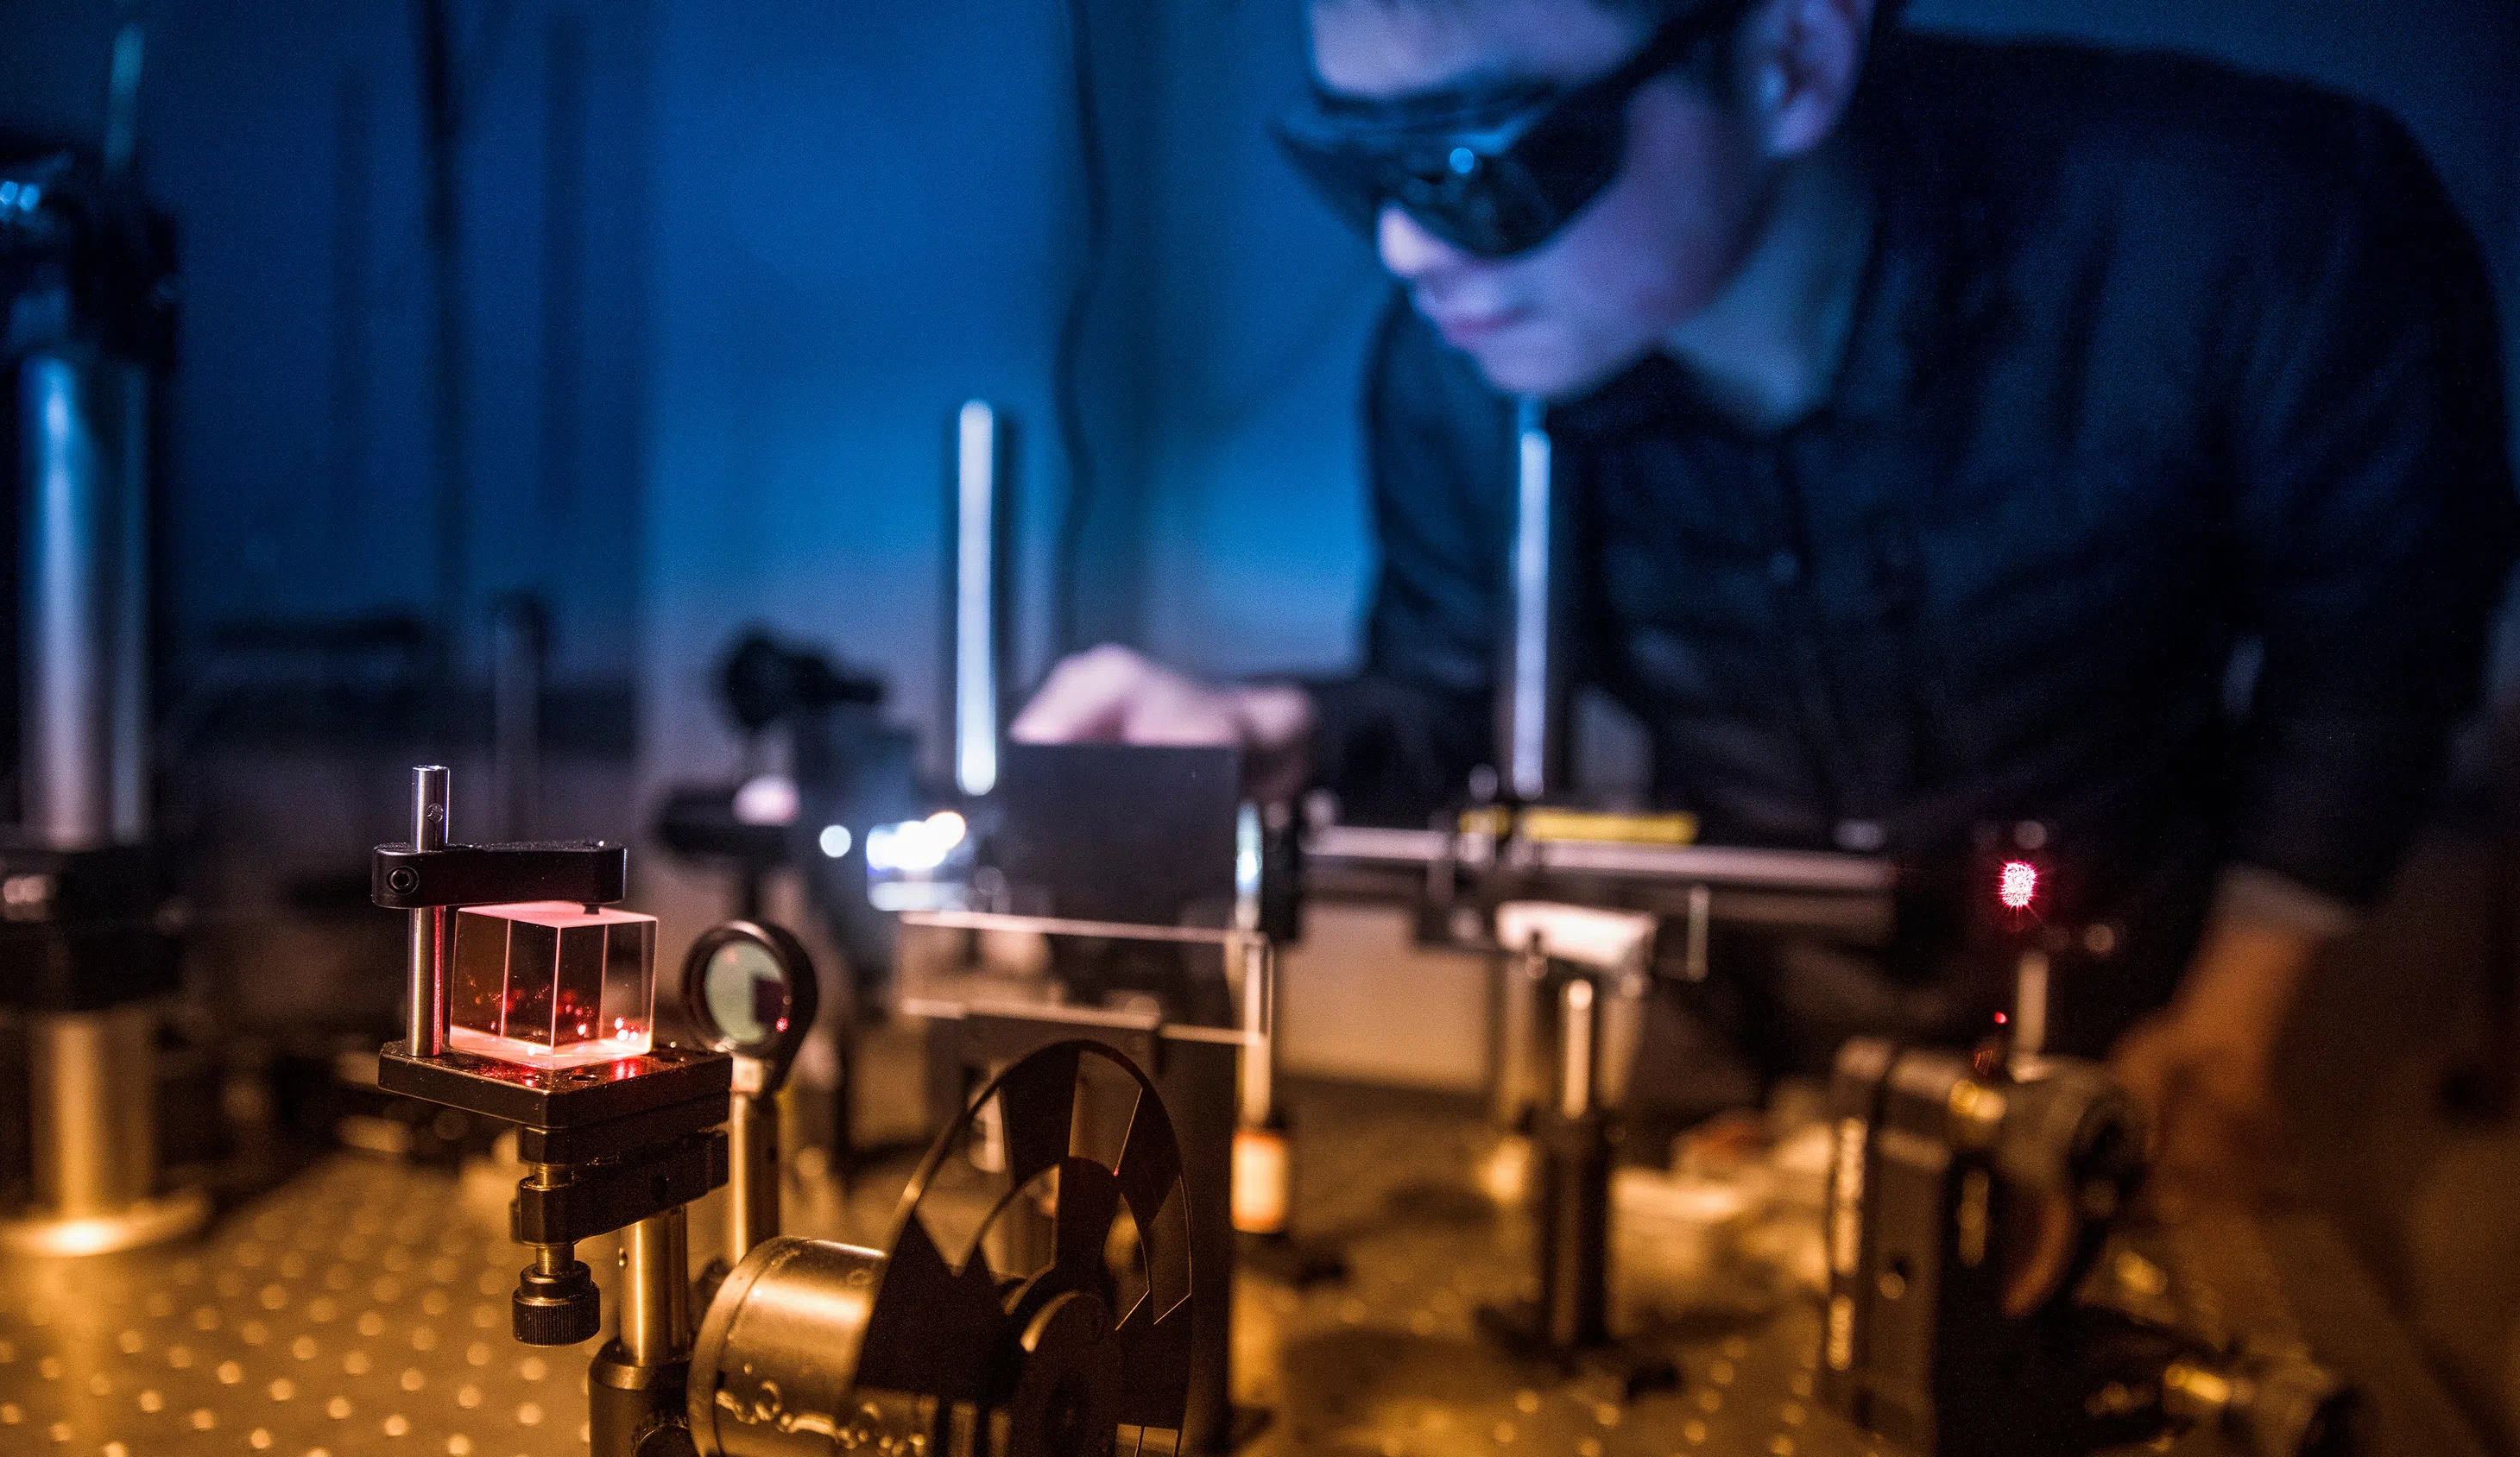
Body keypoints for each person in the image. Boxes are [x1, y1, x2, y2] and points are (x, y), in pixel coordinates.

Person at [1013, 0, 2516, 1196]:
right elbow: (1449, 691)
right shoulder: (1468, 369)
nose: (1409, 250)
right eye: (1357, 166)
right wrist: (1265, 727)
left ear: (1791, 55)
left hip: (2151, 1011)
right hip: (1723, 1034)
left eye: (1480, 159)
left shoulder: (2245, 234)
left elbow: (2374, 654)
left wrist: (2241, 1016)